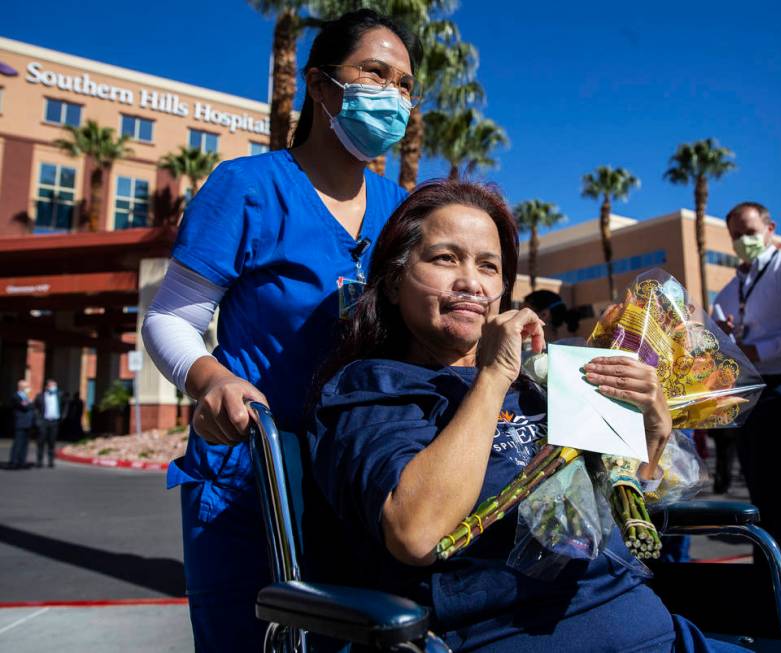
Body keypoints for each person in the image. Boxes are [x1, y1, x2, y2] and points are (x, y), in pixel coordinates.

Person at [310, 180, 747, 652]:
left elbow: (609, 526)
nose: (471, 282)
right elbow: (415, 533)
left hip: (659, 630)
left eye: (488, 266)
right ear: (394, 281)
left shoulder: (544, 384)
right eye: (445, 258)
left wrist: (652, 436)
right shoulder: (372, 386)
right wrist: (492, 375)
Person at [140, 10, 417, 650]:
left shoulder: (402, 213)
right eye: (375, 74)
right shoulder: (247, 187)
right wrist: (209, 378)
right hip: (250, 472)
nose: (394, 97)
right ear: (320, 88)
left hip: (356, 478)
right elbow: (171, 319)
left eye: (404, 85)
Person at [711, 201, 781, 581]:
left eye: (750, 232)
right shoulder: (727, 291)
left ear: (770, 228)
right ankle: (771, 585)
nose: (744, 241)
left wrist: (762, 350)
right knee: (762, 502)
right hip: (749, 396)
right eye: (736, 235)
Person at [33, 379, 63, 468]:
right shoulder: (40, 396)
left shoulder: (59, 395)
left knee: (52, 442)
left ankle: (51, 461)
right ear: (46, 387)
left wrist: (62, 416)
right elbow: (35, 408)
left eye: (55, 385)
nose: (54, 387)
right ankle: (39, 461)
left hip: (54, 421)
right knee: (41, 442)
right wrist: (38, 420)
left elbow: (66, 405)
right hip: (44, 421)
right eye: (52, 385)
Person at [8, 380, 34, 469]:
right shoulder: (16, 396)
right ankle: (13, 462)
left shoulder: (25, 397)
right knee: (18, 443)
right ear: (21, 387)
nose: (28, 388)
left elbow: (30, 406)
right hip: (19, 423)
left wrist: (29, 402)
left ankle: (22, 461)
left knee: (25, 444)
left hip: (27, 423)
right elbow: (25, 407)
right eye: (26, 387)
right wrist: (30, 402)